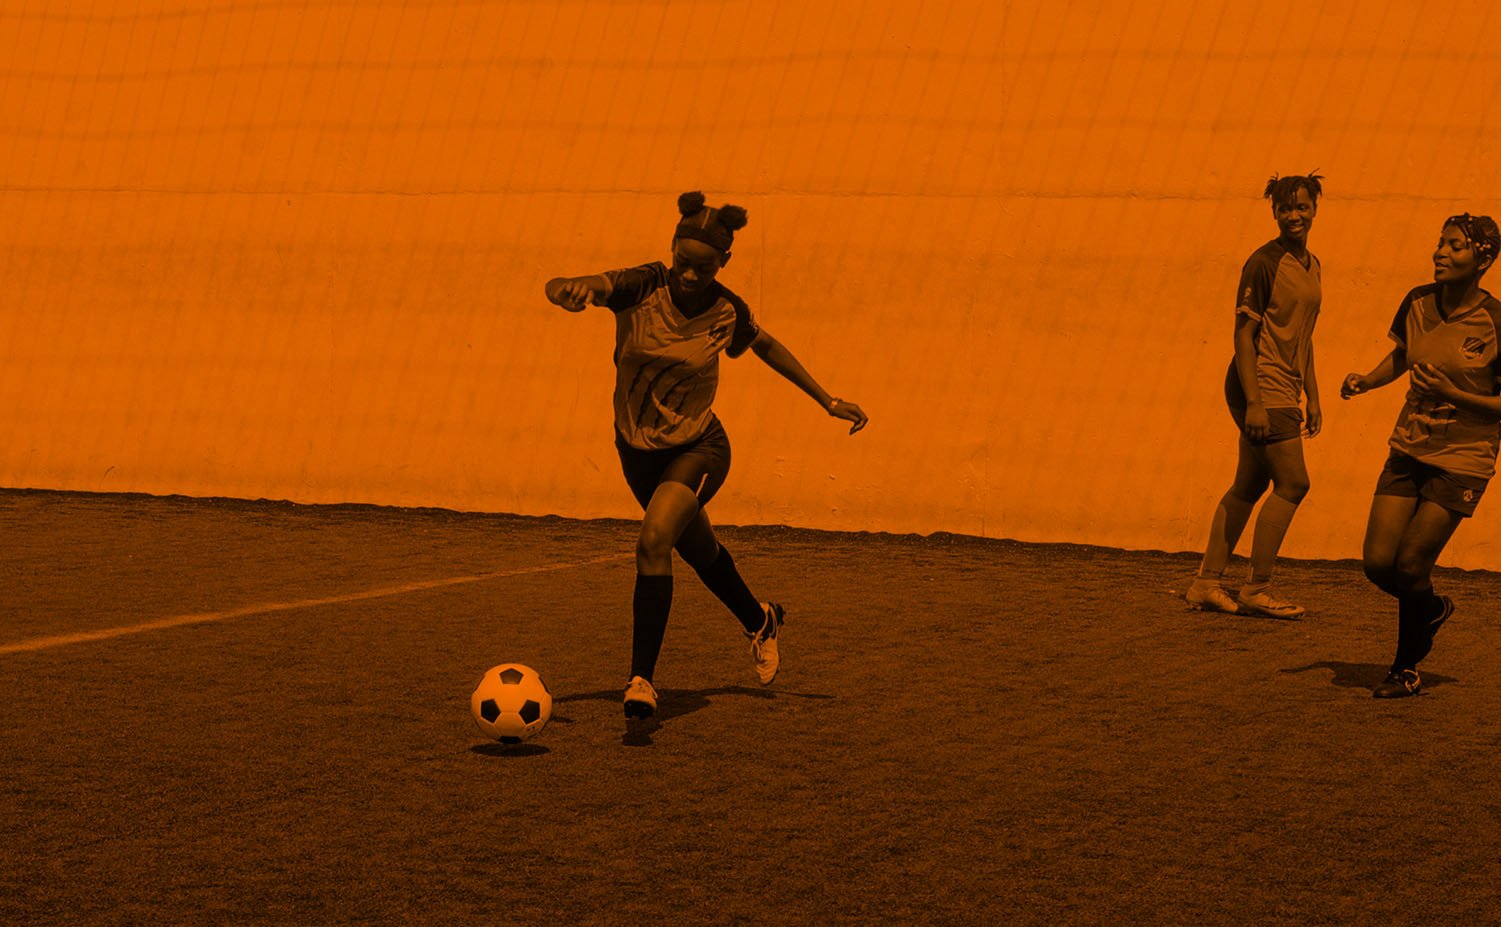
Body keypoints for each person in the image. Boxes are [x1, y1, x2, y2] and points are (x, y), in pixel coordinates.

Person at [544, 191, 869, 720]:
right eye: (683, 264)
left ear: (724, 263)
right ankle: (760, 620)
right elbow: (573, 284)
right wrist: (565, 291)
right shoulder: (641, 285)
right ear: (671, 252)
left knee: (653, 541)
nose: (691, 276)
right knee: (700, 551)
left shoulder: (727, 311)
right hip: (637, 452)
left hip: (700, 447)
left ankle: (641, 681)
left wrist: (828, 400)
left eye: (704, 267)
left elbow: (764, 346)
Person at [1341, 213, 1501, 699]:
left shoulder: (1497, 320)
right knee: (1376, 563)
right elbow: (1403, 355)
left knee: (1411, 565)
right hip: (1409, 446)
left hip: (1463, 457)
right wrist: (1369, 380)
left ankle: (1405, 668)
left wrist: (1456, 393)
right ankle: (1430, 608)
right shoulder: (1416, 301)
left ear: (1483, 259)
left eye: (1454, 246)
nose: (1440, 253)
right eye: (1440, 244)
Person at [1186, 173, 1325, 619]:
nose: (1294, 215)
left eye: (1301, 206)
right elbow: (1243, 336)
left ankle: (1206, 583)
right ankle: (1256, 588)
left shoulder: (1312, 263)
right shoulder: (1263, 262)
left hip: (1286, 386)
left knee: (1249, 484)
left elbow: (1303, 337)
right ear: (1274, 213)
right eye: (1285, 208)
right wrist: (1256, 402)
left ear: (1315, 209)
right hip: (1260, 385)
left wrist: (1314, 395)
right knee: (1293, 483)